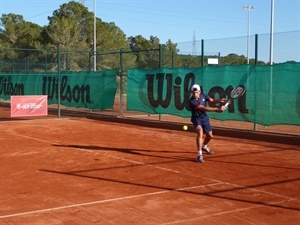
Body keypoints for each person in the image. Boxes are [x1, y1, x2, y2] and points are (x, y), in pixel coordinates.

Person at [189, 84, 227, 163]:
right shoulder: (192, 101)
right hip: (196, 118)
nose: (194, 94)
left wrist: (220, 100)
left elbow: (212, 101)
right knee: (200, 131)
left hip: (204, 118)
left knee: (210, 136)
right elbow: (203, 108)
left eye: (196, 92)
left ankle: (204, 146)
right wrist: (217, 109)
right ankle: (199, 155)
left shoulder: (203, 95)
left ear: (199, 92)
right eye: (193, 93)